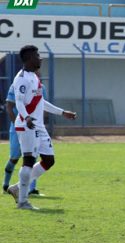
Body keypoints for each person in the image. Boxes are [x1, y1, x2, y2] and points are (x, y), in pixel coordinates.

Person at [6, 45, 77, 210]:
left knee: (49, 160)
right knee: (29, 160)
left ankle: (17, 188)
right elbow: (19, 102)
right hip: (27, 124)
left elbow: (40, 101)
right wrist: (27, 117)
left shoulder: (34, 77)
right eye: (38, 55)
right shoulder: (21, 78)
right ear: (30, 58)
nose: (41, 58)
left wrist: (61, 112)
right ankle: (23, 202)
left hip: (38, 125)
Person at [2, 69, 48, 196]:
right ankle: (5, 185)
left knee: (33, 157)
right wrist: (17, 124)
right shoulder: (16, 85)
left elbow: (43, 107)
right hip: (19, 127)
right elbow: (9, 107)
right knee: (15, 157)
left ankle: (31, 189)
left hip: (34, 127)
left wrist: (40, 124)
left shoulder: (41, 87)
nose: (39, 72)